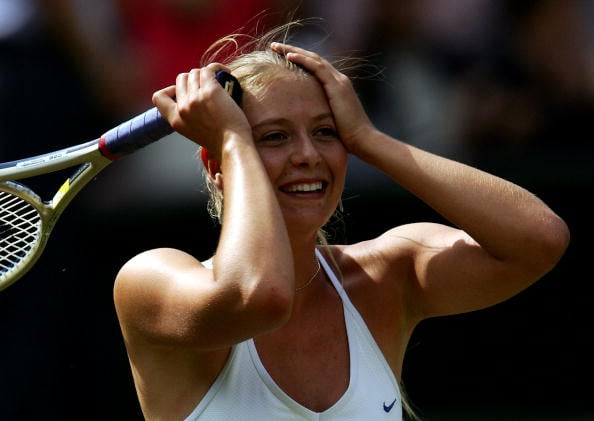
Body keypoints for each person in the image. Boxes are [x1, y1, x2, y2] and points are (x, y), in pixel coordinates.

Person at [112, 21, 570, 420]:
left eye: (326, 132)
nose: (308, 155)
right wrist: (233, 140)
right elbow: (260, 297)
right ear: (214, 166)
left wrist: (369, 138)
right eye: (274, 137)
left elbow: (540, 239)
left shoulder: (385, 275)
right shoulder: (150, 280)